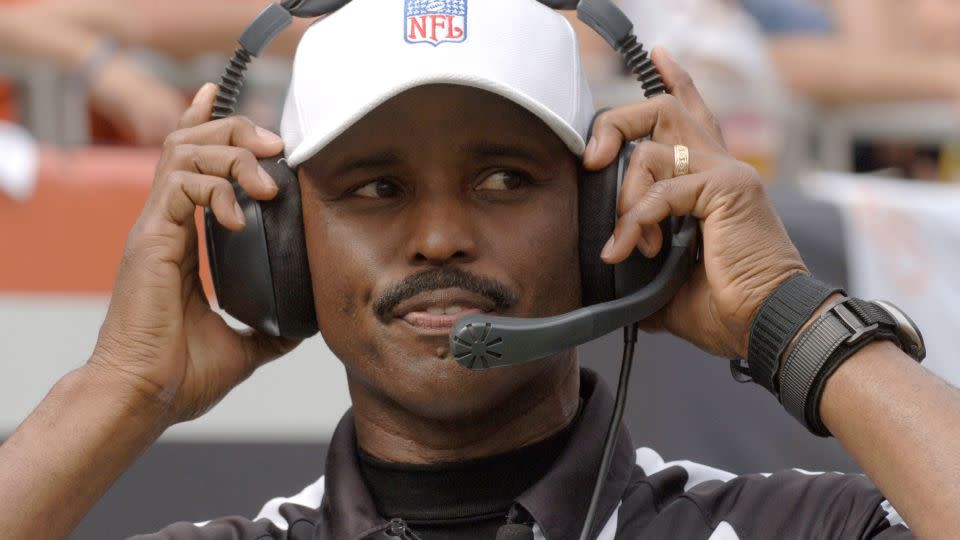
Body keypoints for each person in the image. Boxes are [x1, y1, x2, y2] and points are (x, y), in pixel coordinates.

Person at [2, 1, 959, 539]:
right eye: (375, 188)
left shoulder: (784, 529)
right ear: (276, 245)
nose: (440, 237)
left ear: (605, 221)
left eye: (503, 178)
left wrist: (786, 318)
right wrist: (123, 388)